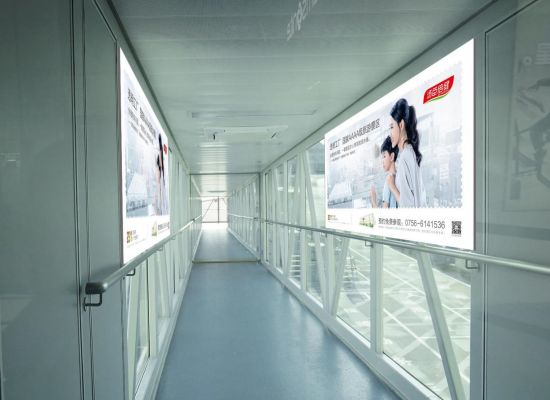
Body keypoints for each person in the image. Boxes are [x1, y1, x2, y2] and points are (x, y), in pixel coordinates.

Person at [387, 98, 426, 207]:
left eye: (391, 127)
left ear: (401, 125)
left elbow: (407, 207)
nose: (390, 133)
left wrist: (392, 187)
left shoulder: (404, 158)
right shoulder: (411, 152)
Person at [370, 136, 399, 208]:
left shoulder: (389, 180)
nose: (382, 161)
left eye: (384, 156)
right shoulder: (398, 176)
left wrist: (373, 201)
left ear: (392, 157)